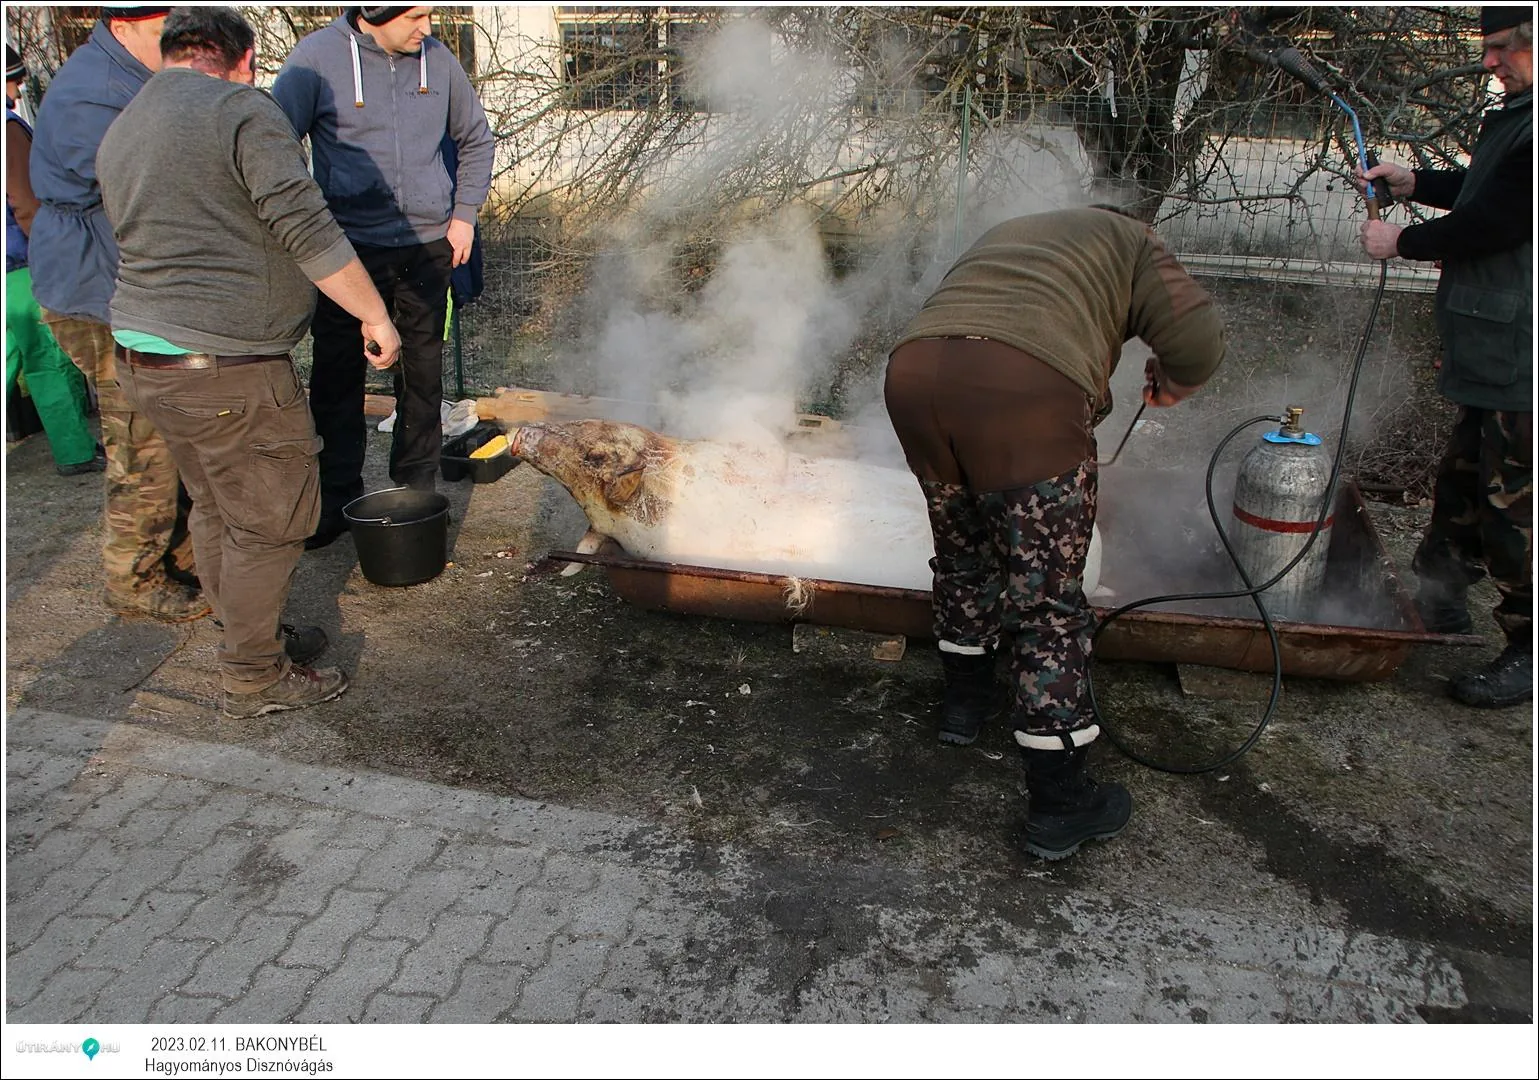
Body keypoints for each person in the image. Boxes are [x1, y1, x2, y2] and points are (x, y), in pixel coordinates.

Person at [884, 206, 1226, 860]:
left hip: (915, 375)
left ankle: (963, 707)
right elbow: (1198, 339)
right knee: (1046, 602)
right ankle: (1060, 803)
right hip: (1023, 395)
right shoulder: (1133, 240)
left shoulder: (1011, 231)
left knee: (963, 554)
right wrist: (1173, 381)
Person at [97, 6, 403, 718]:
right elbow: (305, 224)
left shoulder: (127, 122)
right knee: (272, 521)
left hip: (146, 358)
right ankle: (253, 673)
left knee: (218, 508)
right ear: (244, 59)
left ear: (170, 53)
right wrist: (374, 313)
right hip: (225, 367)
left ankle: (247, 632)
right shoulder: (240, 110)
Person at [1357, 7, 1532, 709]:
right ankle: (1438, 600)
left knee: (1514, 506)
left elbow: (1499, 220)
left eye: (1500, 48)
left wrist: (1401, 243)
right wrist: (1415, 183)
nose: (1487, 63)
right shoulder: (1520, 115)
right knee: (1462, 477)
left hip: (1526, 362)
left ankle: (1528, 650)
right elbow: (1485, 191)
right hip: (1494, 351)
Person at [271, 5, 494, 550]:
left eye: (431, 15)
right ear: (375, 12)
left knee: (422, 374)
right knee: (337, 375)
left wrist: (463, 214)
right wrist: (305, 224)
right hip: (344, 251)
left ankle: (417, 491)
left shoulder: (438, 62)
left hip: (426, 246)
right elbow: (272, 145)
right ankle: (335, 497)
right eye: (415, 16)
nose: (428, 29)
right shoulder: (316, 60)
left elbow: (476, 139)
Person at [26, 5, 205, 621]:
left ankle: (178, 558)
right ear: (122, 26)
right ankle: (133, 579)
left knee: (167, 428)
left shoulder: (134, 75)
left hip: (122, 283)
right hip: (95, 292)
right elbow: (144, 183)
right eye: (165, 30)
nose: (179, 42)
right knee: (139, 435)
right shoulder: (94, 96)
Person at [5, 43, 102, 477]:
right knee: (46, 361)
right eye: (14, 78)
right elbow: (25, 203)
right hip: (19, 266)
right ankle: (74, 450)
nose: (18, 87)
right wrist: (52, 252)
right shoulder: (8, 129)